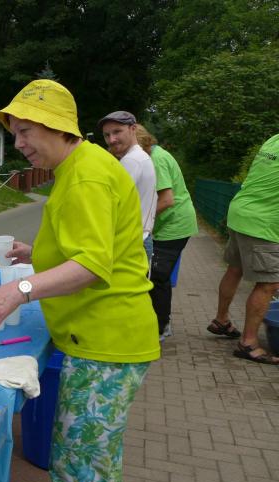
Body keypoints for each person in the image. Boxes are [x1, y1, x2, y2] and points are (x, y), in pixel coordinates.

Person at [0, 80, 160, 482]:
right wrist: (38, 253)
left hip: (105, 341)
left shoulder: (86, 176)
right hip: (110, 337)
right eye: (14, 133)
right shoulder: (80, 166)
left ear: (58, 126)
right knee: (100, 446)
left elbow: (91, 265)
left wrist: (19, 289)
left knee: (77, 456)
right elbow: (93, 245)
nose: (19, 143)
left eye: (26, 131)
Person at [208, 133, 279, 364]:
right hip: (262, 224)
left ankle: (221, 320)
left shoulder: (274, 139)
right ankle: (248, 343)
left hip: (241, 212)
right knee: (268, 284)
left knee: (235, 269)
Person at [134, 125, 198, 340]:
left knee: (158, 275)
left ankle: (161, 327)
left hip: (175, 224)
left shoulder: (156, 160)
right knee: (154, 273)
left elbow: (167, 200)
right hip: (166, 225)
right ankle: (156, 322)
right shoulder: (152, 156)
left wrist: (138, 222)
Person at [100, 111, 158, 261]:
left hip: (133, 243)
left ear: (133, 129)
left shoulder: (131, 161)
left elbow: (113, 205)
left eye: (117, 132)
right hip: (142, 238)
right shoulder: (141, 157)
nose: (111, 139)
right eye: (107, 135)